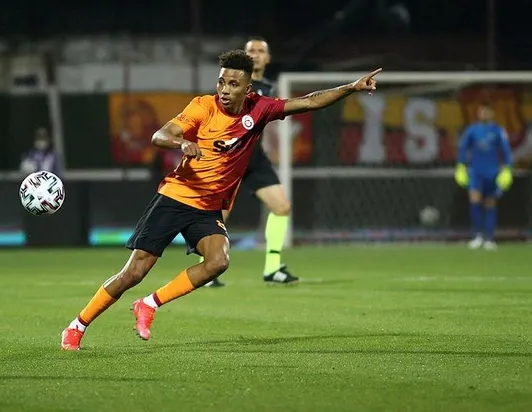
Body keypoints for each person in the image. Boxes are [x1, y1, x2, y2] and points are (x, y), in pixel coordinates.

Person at [61, 49, 381, 350]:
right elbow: (160, 135)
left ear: (247, 89)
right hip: (176, 197)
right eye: (221, 82)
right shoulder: (203, 107)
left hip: (207, 208)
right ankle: (77, 325)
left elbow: (309, 102)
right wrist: (181, 144)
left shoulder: (260, 108)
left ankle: (149, 304)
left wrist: (351, 88)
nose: (225, 90)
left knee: (218, 262)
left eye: (233, 84)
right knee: (134, 273)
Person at [205, 36, 295, 287]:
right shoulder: (234, 85)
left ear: (268, 58)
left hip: (254, 158)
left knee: (281, 207)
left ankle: (272, 268)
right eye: (250, 50)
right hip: (230, 158)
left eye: (260, 51)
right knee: (218, 216)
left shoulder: (266, 86)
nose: (255, 54)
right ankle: (208, 269)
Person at [454, 102, 514, 250]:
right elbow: (463, 148)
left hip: (492, 172)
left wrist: (507, 168)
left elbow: (506, 150)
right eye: (482, 111)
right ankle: (477, 236)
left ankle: (489, 238)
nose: (484, 114)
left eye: (487, 111)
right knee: (474, 199)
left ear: (492, 113)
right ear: (478, 113)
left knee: (490, 203)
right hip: (476, 172)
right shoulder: (472, 130)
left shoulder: (498, 131)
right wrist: (460, 165)